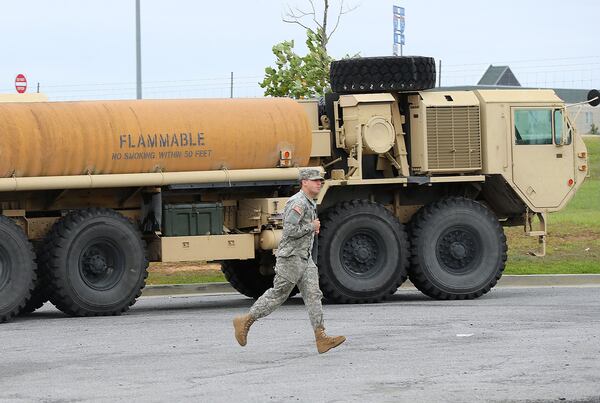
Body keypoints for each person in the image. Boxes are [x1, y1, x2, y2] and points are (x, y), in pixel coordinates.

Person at [233, 168, 346, 354]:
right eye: (315, 180)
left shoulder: (310, 202)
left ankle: (321, 337)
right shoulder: (298, 203)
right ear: (304, 182)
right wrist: (311, 226)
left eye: (320, 180)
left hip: (304, 257)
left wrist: (310, 229)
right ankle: (245, 320)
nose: (319, 183)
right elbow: (289, 231)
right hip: (291, 257)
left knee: (313, 295)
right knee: (279, 294)